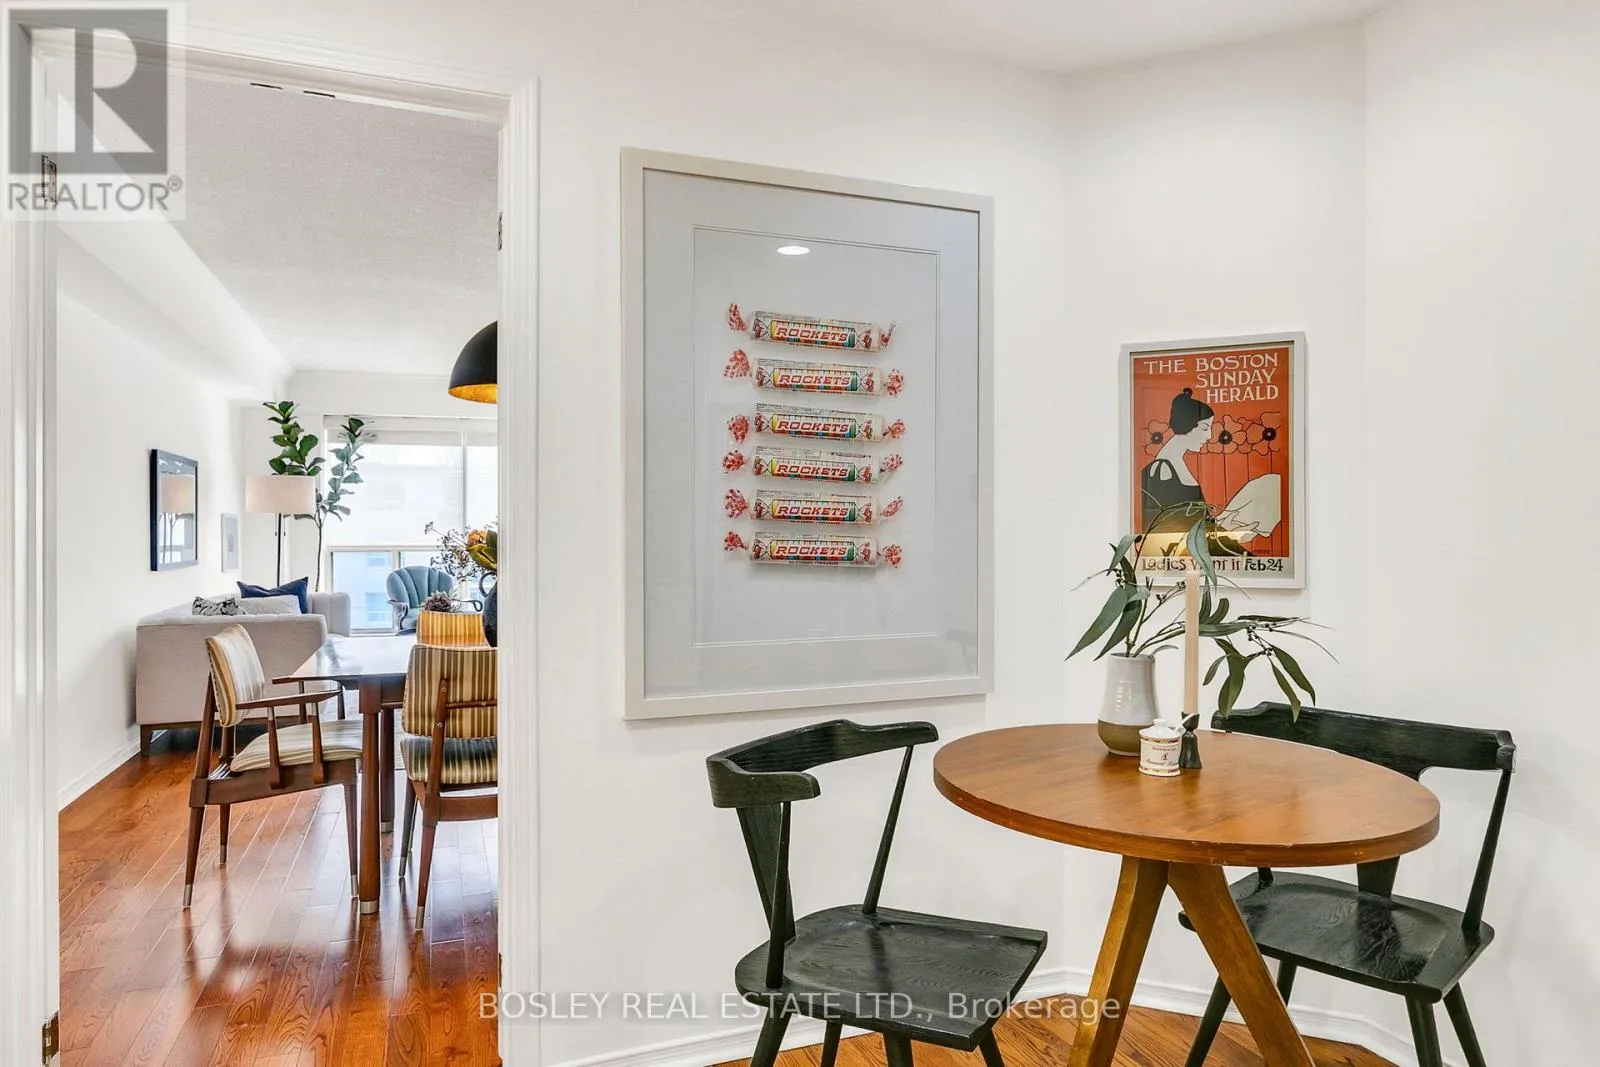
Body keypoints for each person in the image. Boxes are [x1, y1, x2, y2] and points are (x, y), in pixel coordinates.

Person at [1141, 389, 1213, 528]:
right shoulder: (1162, 469)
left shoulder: (1173, 462)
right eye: (1205, 428)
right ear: (1187, 424)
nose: (1209, 436)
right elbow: (1164, 523)